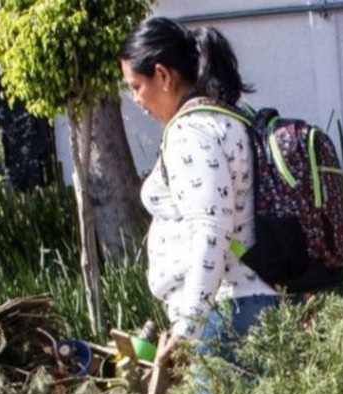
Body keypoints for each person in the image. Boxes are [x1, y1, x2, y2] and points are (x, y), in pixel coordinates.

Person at [120, 17, 283, 373]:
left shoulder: (190, 133)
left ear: (163, 75)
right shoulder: (229, 119)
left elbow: (211, 230)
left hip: (227, 317)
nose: (136, 100)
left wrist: (188, 328)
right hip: (247, 306)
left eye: (135, 86)